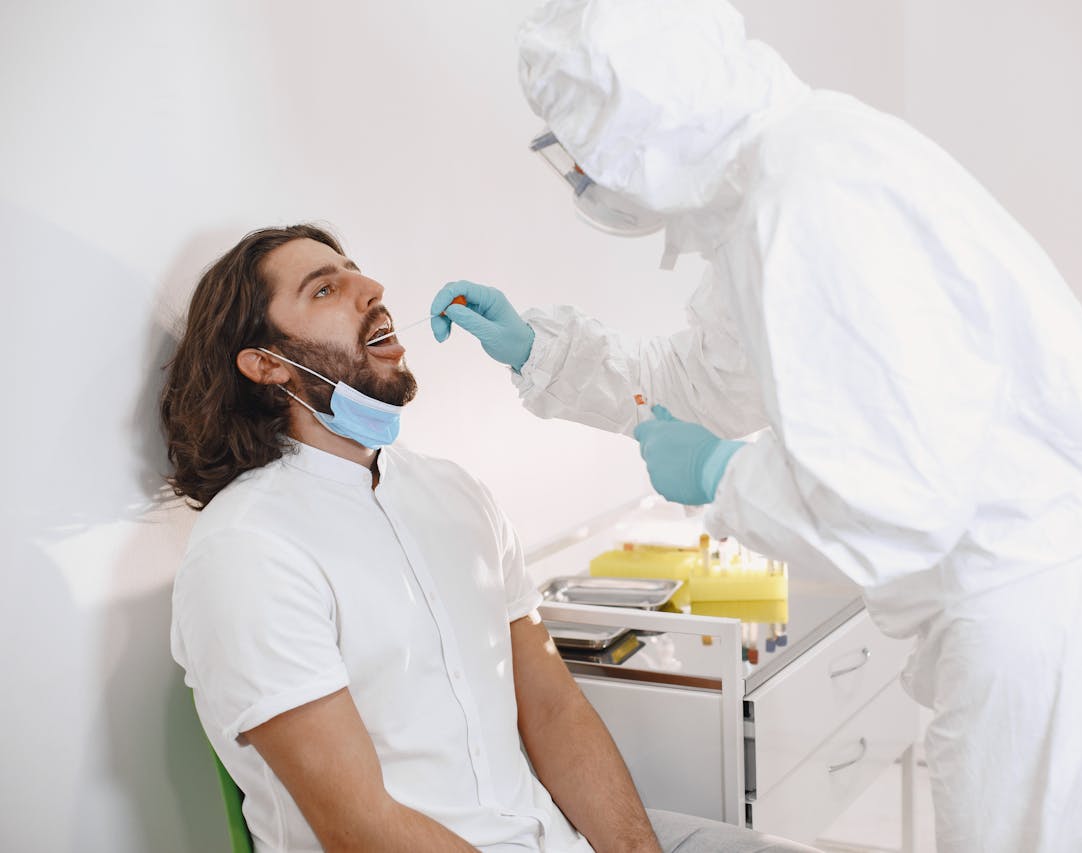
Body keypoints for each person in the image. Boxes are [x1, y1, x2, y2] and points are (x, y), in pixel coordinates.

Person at [428, 1, 1082, 851]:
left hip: (1057, 615)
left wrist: (720, 477)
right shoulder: (779, 181)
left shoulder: (809, 200)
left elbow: (895, 509)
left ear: (638, 127)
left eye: (580, 144)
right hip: (1074, 588)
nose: (580, 172)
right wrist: (542, 352)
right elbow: (707, 379)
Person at [161, 223, 818, 853]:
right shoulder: (248, 551)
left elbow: (555, 709)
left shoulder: (451, 494)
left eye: (357, 272)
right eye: (325, 289)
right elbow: (361, 830)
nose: (372, 288)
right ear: (264, 364)